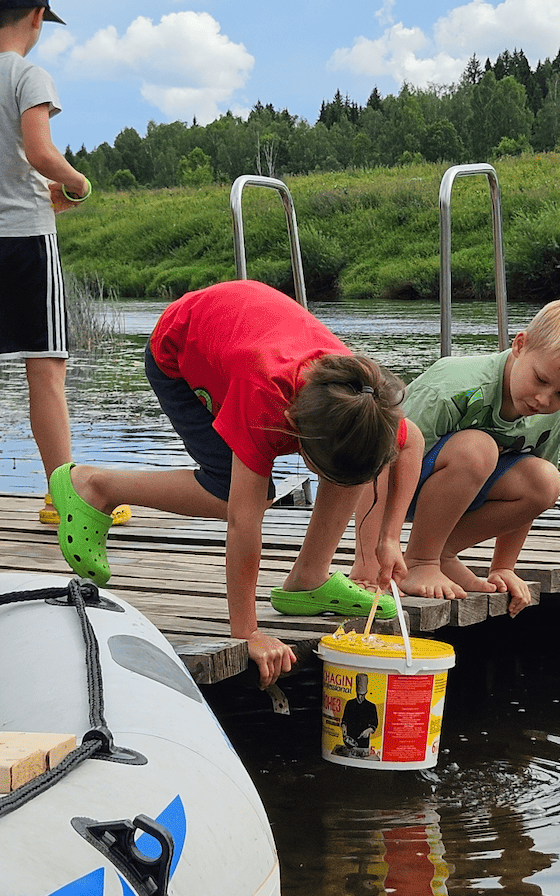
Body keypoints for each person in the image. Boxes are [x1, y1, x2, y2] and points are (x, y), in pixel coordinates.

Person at [50, 279, 425, 687]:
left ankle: (308, 579)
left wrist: (389, 539)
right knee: (233, 494)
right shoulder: (263, 397)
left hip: (246, 328)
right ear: (295, 432)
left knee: (354, 457)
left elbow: (412, 443)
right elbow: (242, 524)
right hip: (179, 348)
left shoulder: (361, 405)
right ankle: (96, 486)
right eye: (319, 470)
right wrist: (247, 633)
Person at [353, 297, 560, 618]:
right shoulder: (454, 386)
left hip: (456, 494)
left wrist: (504, 566)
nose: (545, 399)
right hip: (397, 484)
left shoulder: (553, 417)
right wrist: (367, 564)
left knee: (545, 481)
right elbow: (378, 464)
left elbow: (531, 499)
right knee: (478, 448)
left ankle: (440, 554)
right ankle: (421, 561)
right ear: (520, 345)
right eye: (541, 379)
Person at [0, 0, 130, 527]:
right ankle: (65, 498)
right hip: (25, 235)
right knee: (46, 369)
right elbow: (38, 150)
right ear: (36, 17)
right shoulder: (29, 76)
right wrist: (75, 183)